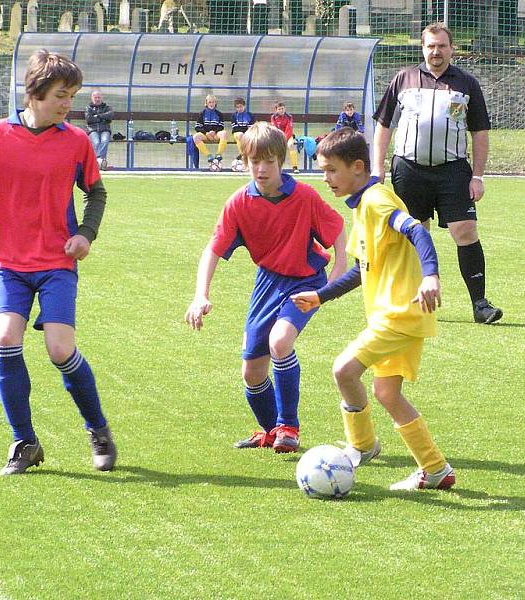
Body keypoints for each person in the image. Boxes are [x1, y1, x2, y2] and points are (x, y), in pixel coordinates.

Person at [0, 49, 116, 475]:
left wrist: (85, 234)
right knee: (4, 340)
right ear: (35, 92)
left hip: (57, 261)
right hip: (8, 261)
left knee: (60, 350)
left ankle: (98, 431)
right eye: (61, 94)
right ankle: (25, 442)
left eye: (72, 96)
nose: (67, 104)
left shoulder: (75, 141)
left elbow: (96, 192)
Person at [292, 128, 454, 491]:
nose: (326, 178)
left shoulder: (378, 200)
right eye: (323, 170)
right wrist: (322, 295)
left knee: (344, 370)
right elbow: (361, 269)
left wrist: (431, 276)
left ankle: (362, 446)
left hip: (399, 314)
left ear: (358, 167)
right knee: (387, 394)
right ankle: (436, 469)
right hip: (402, 315)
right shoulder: (363, 206)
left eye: (332, 170)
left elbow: (418, 232)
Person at [184, 122, 346, 453]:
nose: (261, 168)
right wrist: (201, 295)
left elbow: (338, 233)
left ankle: (289, 426)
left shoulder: (304, 196)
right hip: (267, 282)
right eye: (254, 161)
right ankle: (271, 430)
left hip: (305, 280)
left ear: (281, 161)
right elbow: (213, 249)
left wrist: (332, 283)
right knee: (252, 371)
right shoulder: (239, 202)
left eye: (269, 161)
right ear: (245, 162)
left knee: (280, 341)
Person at [372, 22, 502, 325]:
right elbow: (383, 125)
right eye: (430, 46)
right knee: (415, 234)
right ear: (423, 48)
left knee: (466, 230)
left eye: (442, 46)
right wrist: (378, 167)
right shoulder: (403, 79)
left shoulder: (466, 84)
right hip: (408, 169)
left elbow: (480, 132)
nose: (436, 51)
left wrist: (478, 176)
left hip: (453, 170)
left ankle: (480, 304)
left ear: (452, 48)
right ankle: (416, 301)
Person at [193, 94, 228, 170]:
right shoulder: (202, 114)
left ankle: (218, 155)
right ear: (206, 103)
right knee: (196, 137)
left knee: (224, 133)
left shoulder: (219, 114)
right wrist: (206, 133)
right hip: (205, 135)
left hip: (215, 135)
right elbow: (197, 127)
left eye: (213, 102)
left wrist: (214, 131)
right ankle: (209, 156)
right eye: (210, 102)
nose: (211, 104)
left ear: (215, 103)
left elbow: (221, 126)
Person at [85, 89, 113, 171]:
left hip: (105, 129)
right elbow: (89, 119)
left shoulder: (107, 107)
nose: (97, 99)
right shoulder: (88, 107)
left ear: (102, 98)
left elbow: (110, 116)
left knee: (104, 140)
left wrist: (98, 116)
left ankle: (98, 162)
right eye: (95, 97)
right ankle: (101, 162)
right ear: (92, 98)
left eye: (99, 97)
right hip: (92, 129)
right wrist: (103, 118)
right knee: (96, 142)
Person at [270, 101, 300, 174]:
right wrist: (280, 139)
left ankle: (295, 167)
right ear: (276, 110)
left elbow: (289, 130)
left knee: (291, 145)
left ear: (285, 109)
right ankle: (276, 167)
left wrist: (284, 140)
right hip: (277, 136)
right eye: (279, 109)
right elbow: (274, 129)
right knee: (274, 148)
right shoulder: (273, 117)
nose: (281, 110)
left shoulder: (289, 117)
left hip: (288, 136)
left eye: (282, 108)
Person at [230, 97, 255, 169]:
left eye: (241, 106)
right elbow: (235, 128)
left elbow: (251, 128)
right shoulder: (234, 116)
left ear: (244, 106)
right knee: (240, 135)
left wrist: (246, 133)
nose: (239, 109)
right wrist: (243, 132)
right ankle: (243, 156)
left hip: (247, 135)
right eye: (237, 107)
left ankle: (243, 157)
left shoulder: (250, 115)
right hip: (237, 134)